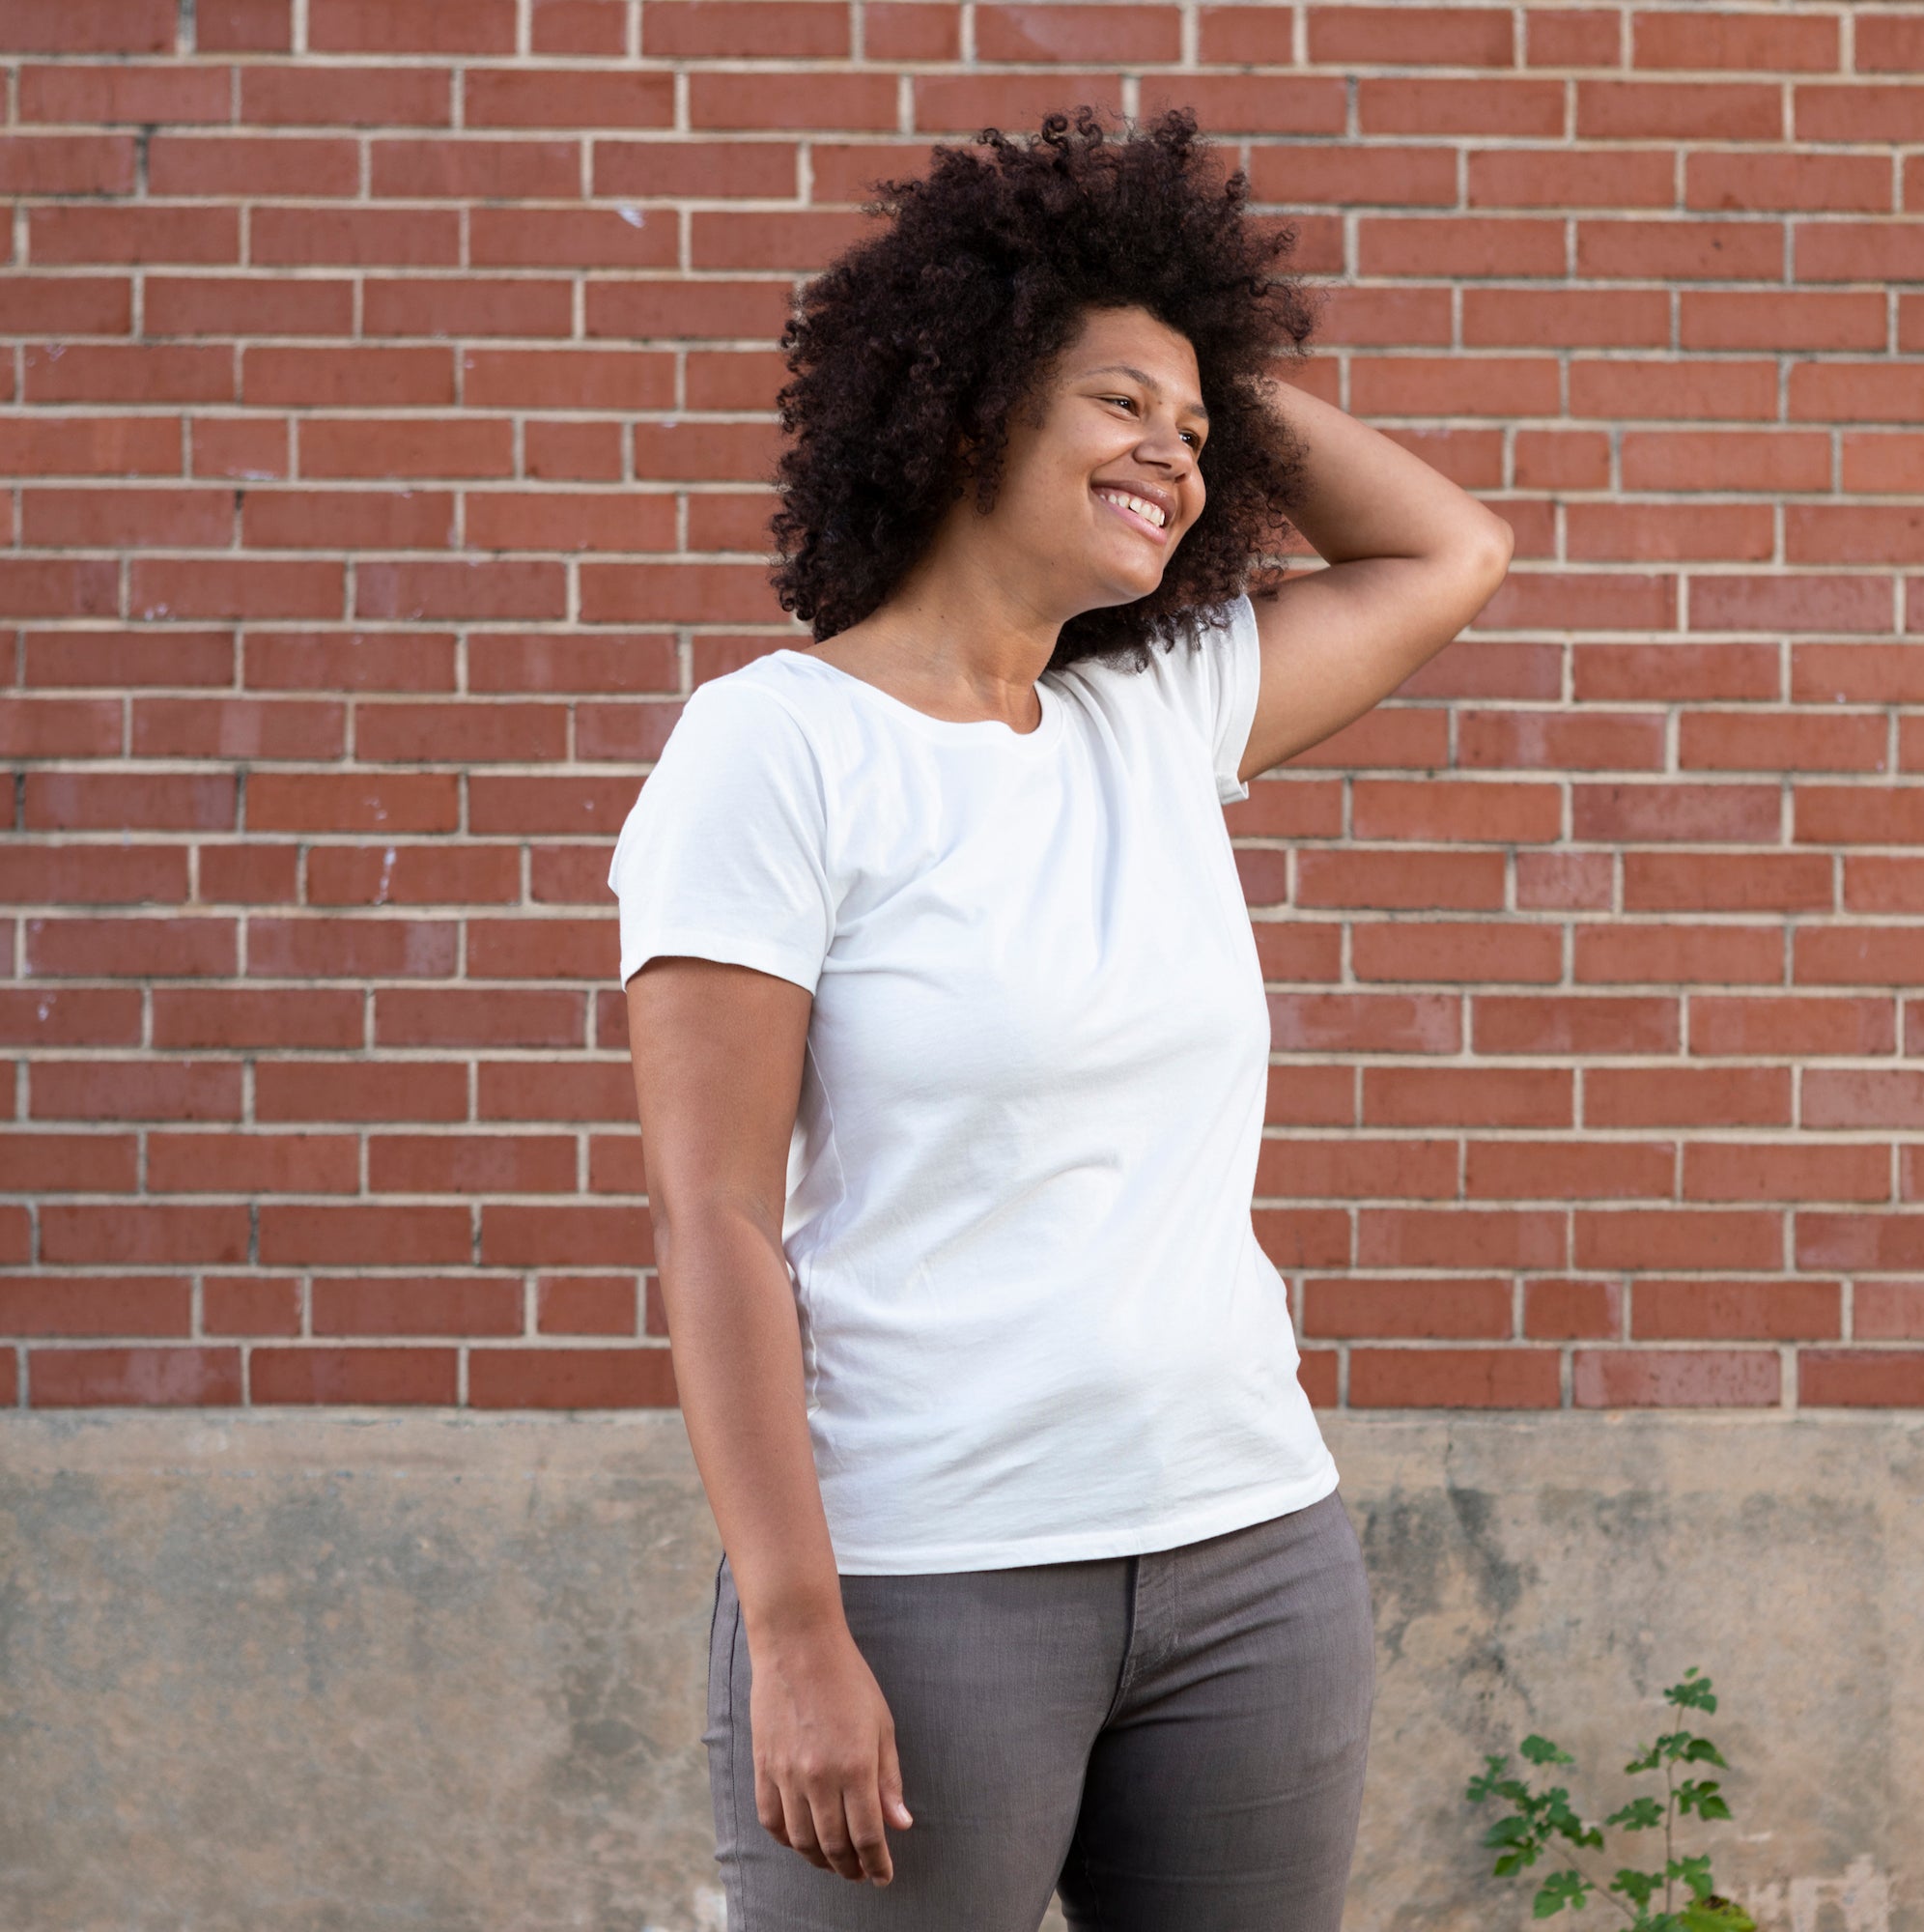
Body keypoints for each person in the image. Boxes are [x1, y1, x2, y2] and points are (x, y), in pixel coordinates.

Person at [609, 105, 1514, 1932]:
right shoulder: (776, 749)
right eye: (1117, 406)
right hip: (934, 1575)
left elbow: (1448, 552)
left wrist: (1197, 372)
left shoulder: (1155, 716)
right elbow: (710, 1219)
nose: (1175, 459)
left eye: (1200, 436)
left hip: (1250, 1552)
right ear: (967, 404)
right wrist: (795, 1630)